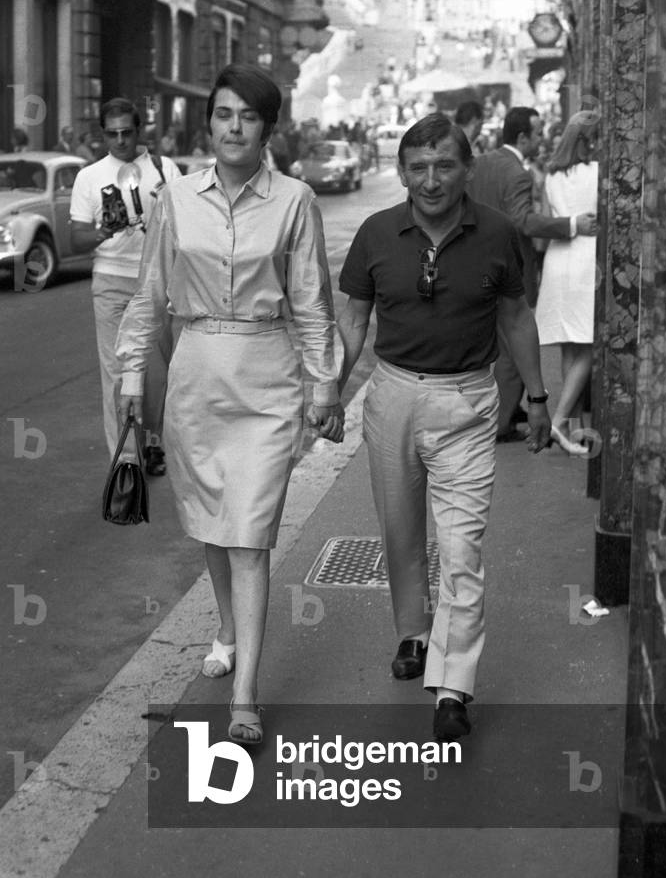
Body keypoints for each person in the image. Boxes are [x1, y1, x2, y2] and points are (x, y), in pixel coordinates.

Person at [115, 65, 345, 745]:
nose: (233, 127)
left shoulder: (296, 199)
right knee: (213, 523)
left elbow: (311, 299)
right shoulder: (176, 198)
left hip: (268, 381)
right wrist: (132, 375)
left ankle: (245, 694)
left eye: (247, 116)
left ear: (268, 128)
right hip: (194, 380)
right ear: (208, 124)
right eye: (222, 114)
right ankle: (224, 626)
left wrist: (323, 382)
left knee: (249, 533)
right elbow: (150, 291)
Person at [337, 113, 552, 740]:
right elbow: (354, 321)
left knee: (461, 548)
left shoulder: (500, 234)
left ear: (466, 169)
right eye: (418, 167)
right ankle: (412, 631)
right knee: (400, 531)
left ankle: (453, 684)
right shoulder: (377, 233)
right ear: (402, 172)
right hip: (393, 396)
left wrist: (535, 397)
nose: (431, 180)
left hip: (468, 403)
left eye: (444, 166)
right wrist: (326, 389)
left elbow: (516, 318)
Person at [468, 107, 598, 441]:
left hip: (476, 263)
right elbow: (524, 221)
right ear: (522, 137)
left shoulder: (483, 163)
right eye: (537, 133)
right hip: (510, 267)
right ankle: (502, 423)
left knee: (495, 345)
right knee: (513, 350)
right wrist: (573, 224)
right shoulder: (519, 174)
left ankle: (512, 412)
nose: (541, 140)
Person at [69, 98, 181, 471]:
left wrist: (163, 211)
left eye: (126, 133)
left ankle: (152, 440)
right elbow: (77, 238)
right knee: (117, 375)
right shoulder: (89, 176)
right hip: (111, 280)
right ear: (103, 135)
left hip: (156, 284)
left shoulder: (165, 170)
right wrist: (104, 230)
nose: (120, 141)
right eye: (112, 134)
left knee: (155, 372)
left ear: (139, 131)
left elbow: (187, 227)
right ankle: (126, 460)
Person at [534, 111, 600, 455]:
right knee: (588, 345)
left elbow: (546, 225)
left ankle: (575, 430)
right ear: (590, 140)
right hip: (587, 260)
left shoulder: (552, 175)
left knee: (569, 345)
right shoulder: (598, 171)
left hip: (558, 260)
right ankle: (560, 421)